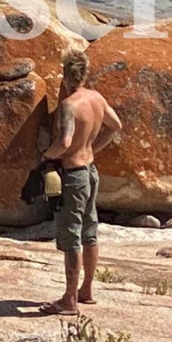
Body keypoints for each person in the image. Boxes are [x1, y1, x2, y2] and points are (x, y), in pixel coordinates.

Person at [39, 50, 122, 316]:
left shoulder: (68, 105)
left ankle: (69, 299)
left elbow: (64, 142)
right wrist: (93, 147)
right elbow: (115, 125)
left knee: (72, 236)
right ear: (85, 74)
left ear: (65, 75)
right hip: (90, 170)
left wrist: (45, 156)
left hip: (73, 176)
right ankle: (86, 290)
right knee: (90, 231)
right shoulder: (96, 98)